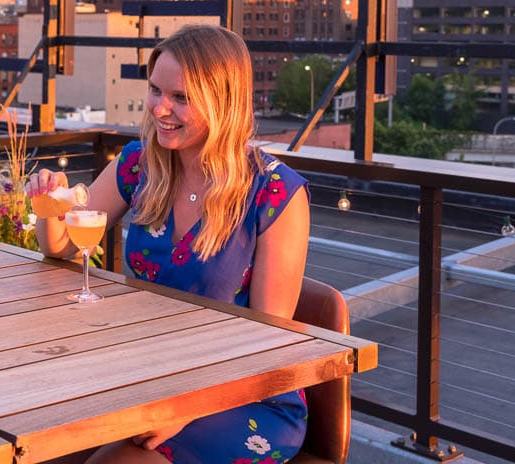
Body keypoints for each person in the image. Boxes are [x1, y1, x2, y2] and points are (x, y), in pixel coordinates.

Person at [29, 24, 311, 464]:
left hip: (241, 396)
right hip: (146, 375)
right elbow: (63, 249)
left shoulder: (275, 193)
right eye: (156, 90)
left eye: (181, 98)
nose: (161, 108)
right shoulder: (138, 165)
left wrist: (186, 406)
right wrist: (50, 205)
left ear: (223, 102)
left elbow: (268, 347)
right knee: (31, 444)